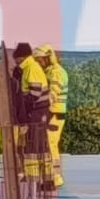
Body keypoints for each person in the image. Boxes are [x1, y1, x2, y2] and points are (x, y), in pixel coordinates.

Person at [13, 42, 53, 188]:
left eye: (16, 59)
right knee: (40, 146)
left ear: (21, 57)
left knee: (34, 146)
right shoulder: (30, 67)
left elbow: (34, 93)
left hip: (37, 111)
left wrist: (20, 103)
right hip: (39, 111)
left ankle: (35, 181)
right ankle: (45, 180)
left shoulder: (31, 68)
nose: (15, 62)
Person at [35, 45, 68, 189]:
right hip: (51, 112)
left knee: (50, 145)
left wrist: (39, 105)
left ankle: (54, 178)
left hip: (54, 113)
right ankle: (51, 177)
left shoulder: (57, 73)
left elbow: (53, 94)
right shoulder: (49, 72)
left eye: (41, 59)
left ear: (48, 57)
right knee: (48, 145)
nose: (39, 62)